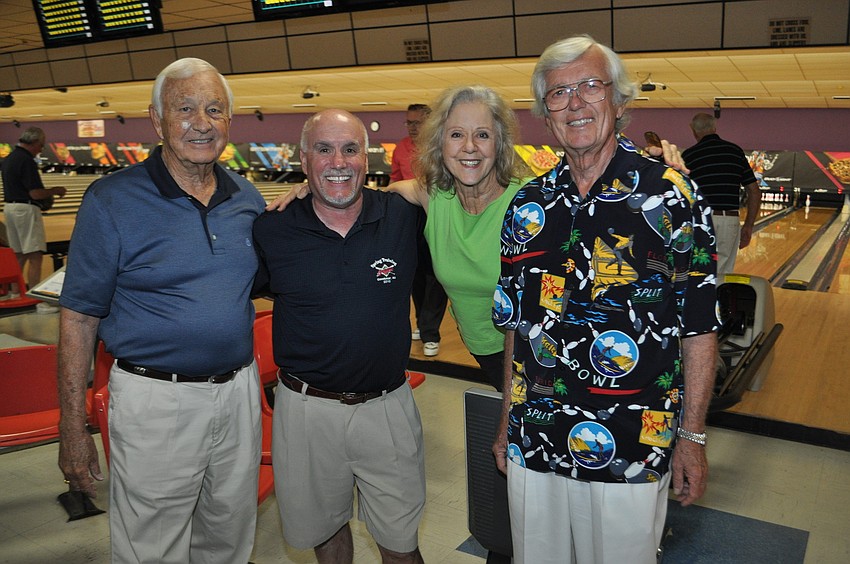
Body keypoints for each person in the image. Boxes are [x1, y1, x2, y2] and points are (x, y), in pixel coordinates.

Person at [492, 35, 719, 564]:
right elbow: (516, 332)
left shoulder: (672, 195)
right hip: (537, 437)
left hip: (635, 441)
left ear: (619, 101)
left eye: (590, 86)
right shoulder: (527, 206)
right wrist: (507, 420)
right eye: (558, 94)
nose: (575, 103)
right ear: (544, 115)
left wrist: (693, 437)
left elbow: (700, 326)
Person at [57, 58, 265, 563]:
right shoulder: (111, 200)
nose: (201, 122)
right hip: (155, 400)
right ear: (157, 120)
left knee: (229, 537)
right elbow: (79, 316)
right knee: (151, 547)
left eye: (214, 109)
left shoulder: (249, 198)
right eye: (185, 108)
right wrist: (73, 428)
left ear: (229, 122)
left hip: (238, 393)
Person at [253, 109, 425, 564]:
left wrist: (407, 186)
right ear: (303, 158)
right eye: (324, 150)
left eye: (350, 149)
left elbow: (458, 191)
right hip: (306, 409)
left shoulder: (402, 216)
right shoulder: (271, 228)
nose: (339, 161)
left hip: (387, 405)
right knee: (324, 535)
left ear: (365, 159)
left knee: (403, 543)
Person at [391, 103, 448, 357]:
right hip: (410, 217)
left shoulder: (441, 146)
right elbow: (394, 178)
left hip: (436, 213)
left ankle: (430, 332)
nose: (412, 127)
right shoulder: (401, 147)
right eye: (409, 122)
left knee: (436, 275)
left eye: (417, 122)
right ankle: (421, 325)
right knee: (415, 272)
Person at [683, 112, 761, 277]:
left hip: (701, 221)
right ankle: (718, 302)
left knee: (699, 272)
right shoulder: (734, 152)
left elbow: (683, 195)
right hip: (729, 220)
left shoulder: (688, 156)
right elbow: (754, 191)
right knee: (723, 273)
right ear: (714, 127)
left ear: (693, 130)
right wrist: (749, 225)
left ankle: (700, 302)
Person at [1, 126, 66, 310]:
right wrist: (55, 191)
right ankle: (36, 299)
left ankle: (15, 292)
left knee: (19, 254)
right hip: (26, 209)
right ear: (35, 142)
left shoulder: (10, 158)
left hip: (10, 208)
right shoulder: (26, 160)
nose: (40, 150)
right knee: (35, 255)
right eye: (41, 146)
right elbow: (36, 193)